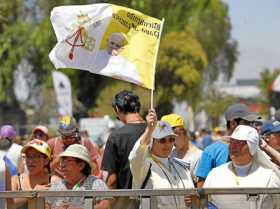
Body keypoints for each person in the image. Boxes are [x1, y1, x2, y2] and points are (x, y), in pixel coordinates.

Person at [129, 109, 194, 209]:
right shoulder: (144, 167)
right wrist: (149, 130)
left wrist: (194, 199)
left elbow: (194, 197)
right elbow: (135, 156)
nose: (167, 144)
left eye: (171, 139)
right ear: (152, 142)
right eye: (162, 140)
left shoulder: (183, 166)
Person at [204, 125, 280, 209]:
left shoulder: (269, 177)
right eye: (231, 142)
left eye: (239, 143)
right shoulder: (215, 174)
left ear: (252, 147)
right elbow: (205, 202)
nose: (232, 146)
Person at [196, 103, 259, 187]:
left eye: (253, 123)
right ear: (233, 123)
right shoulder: (211, 151)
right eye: (248, 122)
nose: (252, 127)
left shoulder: (255, 145)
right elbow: (201, 187)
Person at [101, 90, 146, 209]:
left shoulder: (116, 137)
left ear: (117, 109)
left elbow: (112, 180)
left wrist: (110, 204)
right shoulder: (154, 131)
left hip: (127, 203)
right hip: (157, 199)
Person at [46, 144, 110, 209]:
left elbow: (106, 205)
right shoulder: (57, 185)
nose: (62, 165)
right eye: (62, 161)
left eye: (68, 161)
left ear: (81, 165)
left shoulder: (96, 183)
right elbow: (46, 206)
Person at [161, 113, 202, 184]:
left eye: (171, 139)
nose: (169, 143)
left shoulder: (198, 156)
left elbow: (198, 187)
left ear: (181, 132)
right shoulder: (171, 153)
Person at [11, 139, 51, 209]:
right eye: (28, 156)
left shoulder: (53, 180)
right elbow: (10, 204)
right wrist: (34, 193)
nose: (30, 161)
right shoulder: (16, 180)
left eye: (35, 156)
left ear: (46, 160)